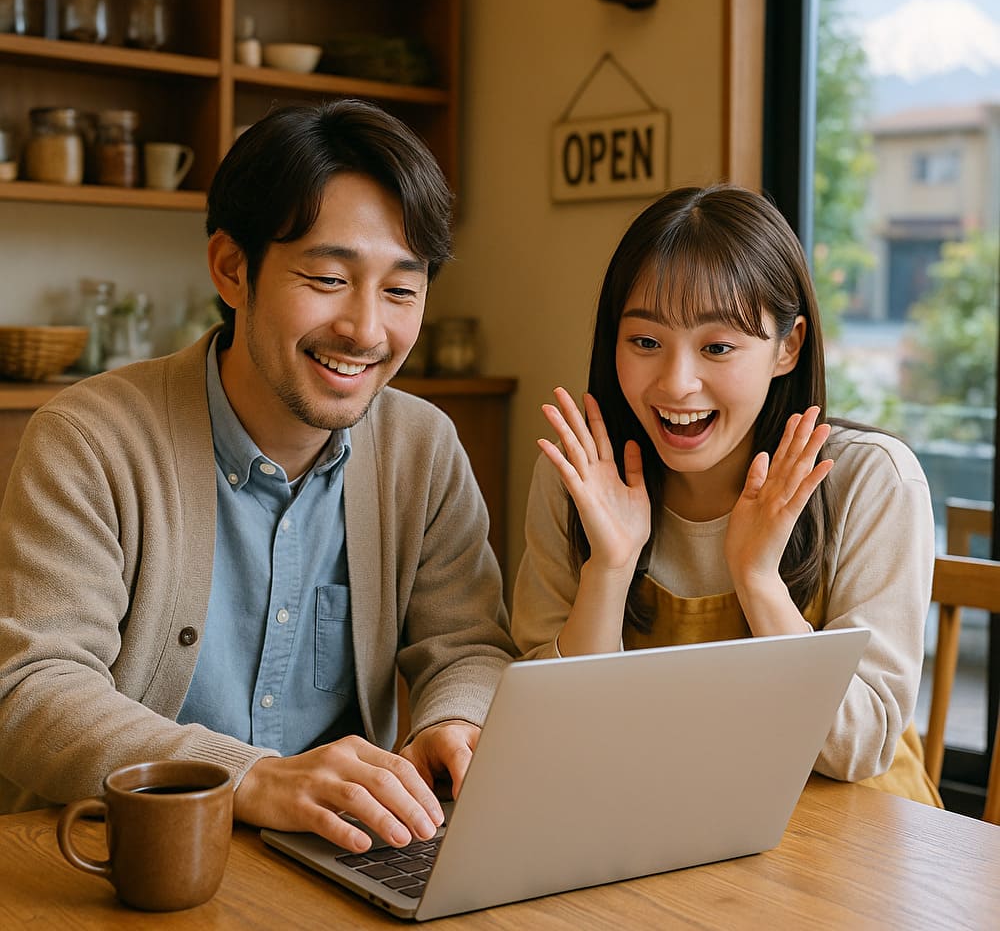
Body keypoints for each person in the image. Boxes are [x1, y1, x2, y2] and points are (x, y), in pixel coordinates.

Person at [0, 99, 518, 850]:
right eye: (328, 278)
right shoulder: (90, 439)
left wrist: (455, 720)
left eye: (401, 290)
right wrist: (249, 777)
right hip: (116, 858)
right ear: (231, 268)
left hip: (335, 852)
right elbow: (32, 690)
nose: (366, 330)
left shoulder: (423, 447)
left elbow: (468, 645)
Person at [511, 183, 941, 806]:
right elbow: (551, 730)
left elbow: (860, 747)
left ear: (788, 346)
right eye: (645, 342)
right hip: (676, 822)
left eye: (717, 347)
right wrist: (610, 567)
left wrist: (758, 578)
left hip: (856, 830)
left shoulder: (870, 480)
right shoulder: (578, 479)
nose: (677, 384)